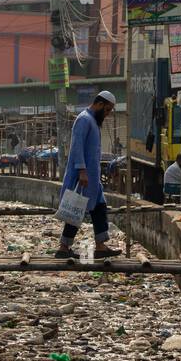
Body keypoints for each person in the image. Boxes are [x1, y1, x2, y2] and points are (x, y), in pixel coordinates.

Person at [57, 90, 120, 259]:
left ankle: (100, 245)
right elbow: (77, 147)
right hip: (83, 177)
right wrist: (82, 171)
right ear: (99, 104)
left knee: (99, 206)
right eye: (107, 110)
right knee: (76, 208)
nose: (107, 114)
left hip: (92, 178)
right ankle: (64, 247)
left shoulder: (92, 121)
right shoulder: (84, 119)